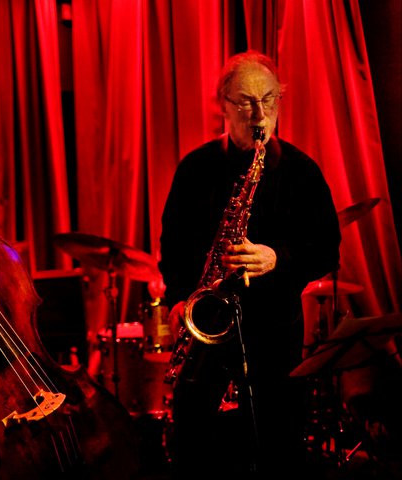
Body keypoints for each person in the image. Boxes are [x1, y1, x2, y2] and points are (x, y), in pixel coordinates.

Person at [159, 50, 341, 478]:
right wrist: (178, 300)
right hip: (206, 332)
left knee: (276, 444)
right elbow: (174, 246)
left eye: (270, 100)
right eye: (245, 101)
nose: (260, 114)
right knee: (197, 445)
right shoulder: (195, 169)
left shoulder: (302, 172)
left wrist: (278, 259)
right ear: (222, 103)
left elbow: (328, 250)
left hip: (274, 332)